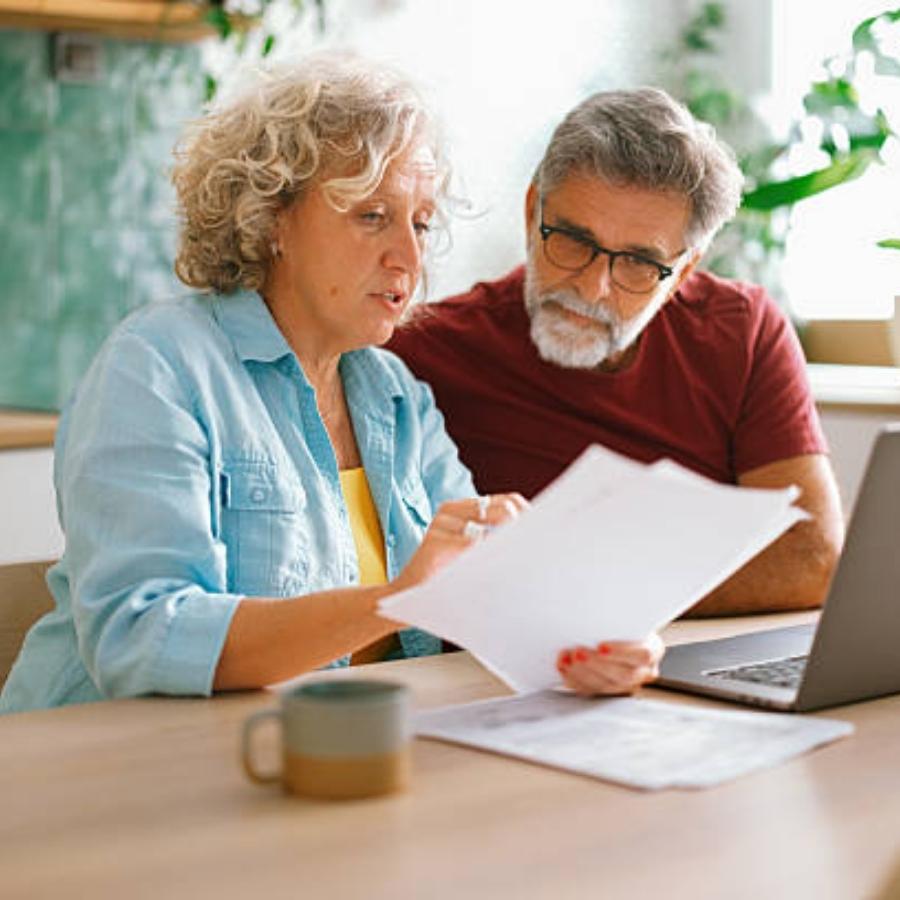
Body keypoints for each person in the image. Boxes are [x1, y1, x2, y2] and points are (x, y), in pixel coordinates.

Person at [0, 56, 659, 714]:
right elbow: (140, 637)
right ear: (271, 219)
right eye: (372, 215)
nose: (408, 255)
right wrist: (400, 598)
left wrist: (589, 640)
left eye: (421, 223)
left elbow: (485, 591)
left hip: (314, 755)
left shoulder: (395, 395)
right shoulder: (156, 368)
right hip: (100, 772)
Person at [389, 86, 844, 617]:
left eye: (637, 263)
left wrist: (602, 597)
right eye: (574, 241)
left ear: (683, 272)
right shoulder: (425, 349)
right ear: (533, 210)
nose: (593, 288)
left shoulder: (743, 332)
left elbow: (811, 559)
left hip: (688, 661)